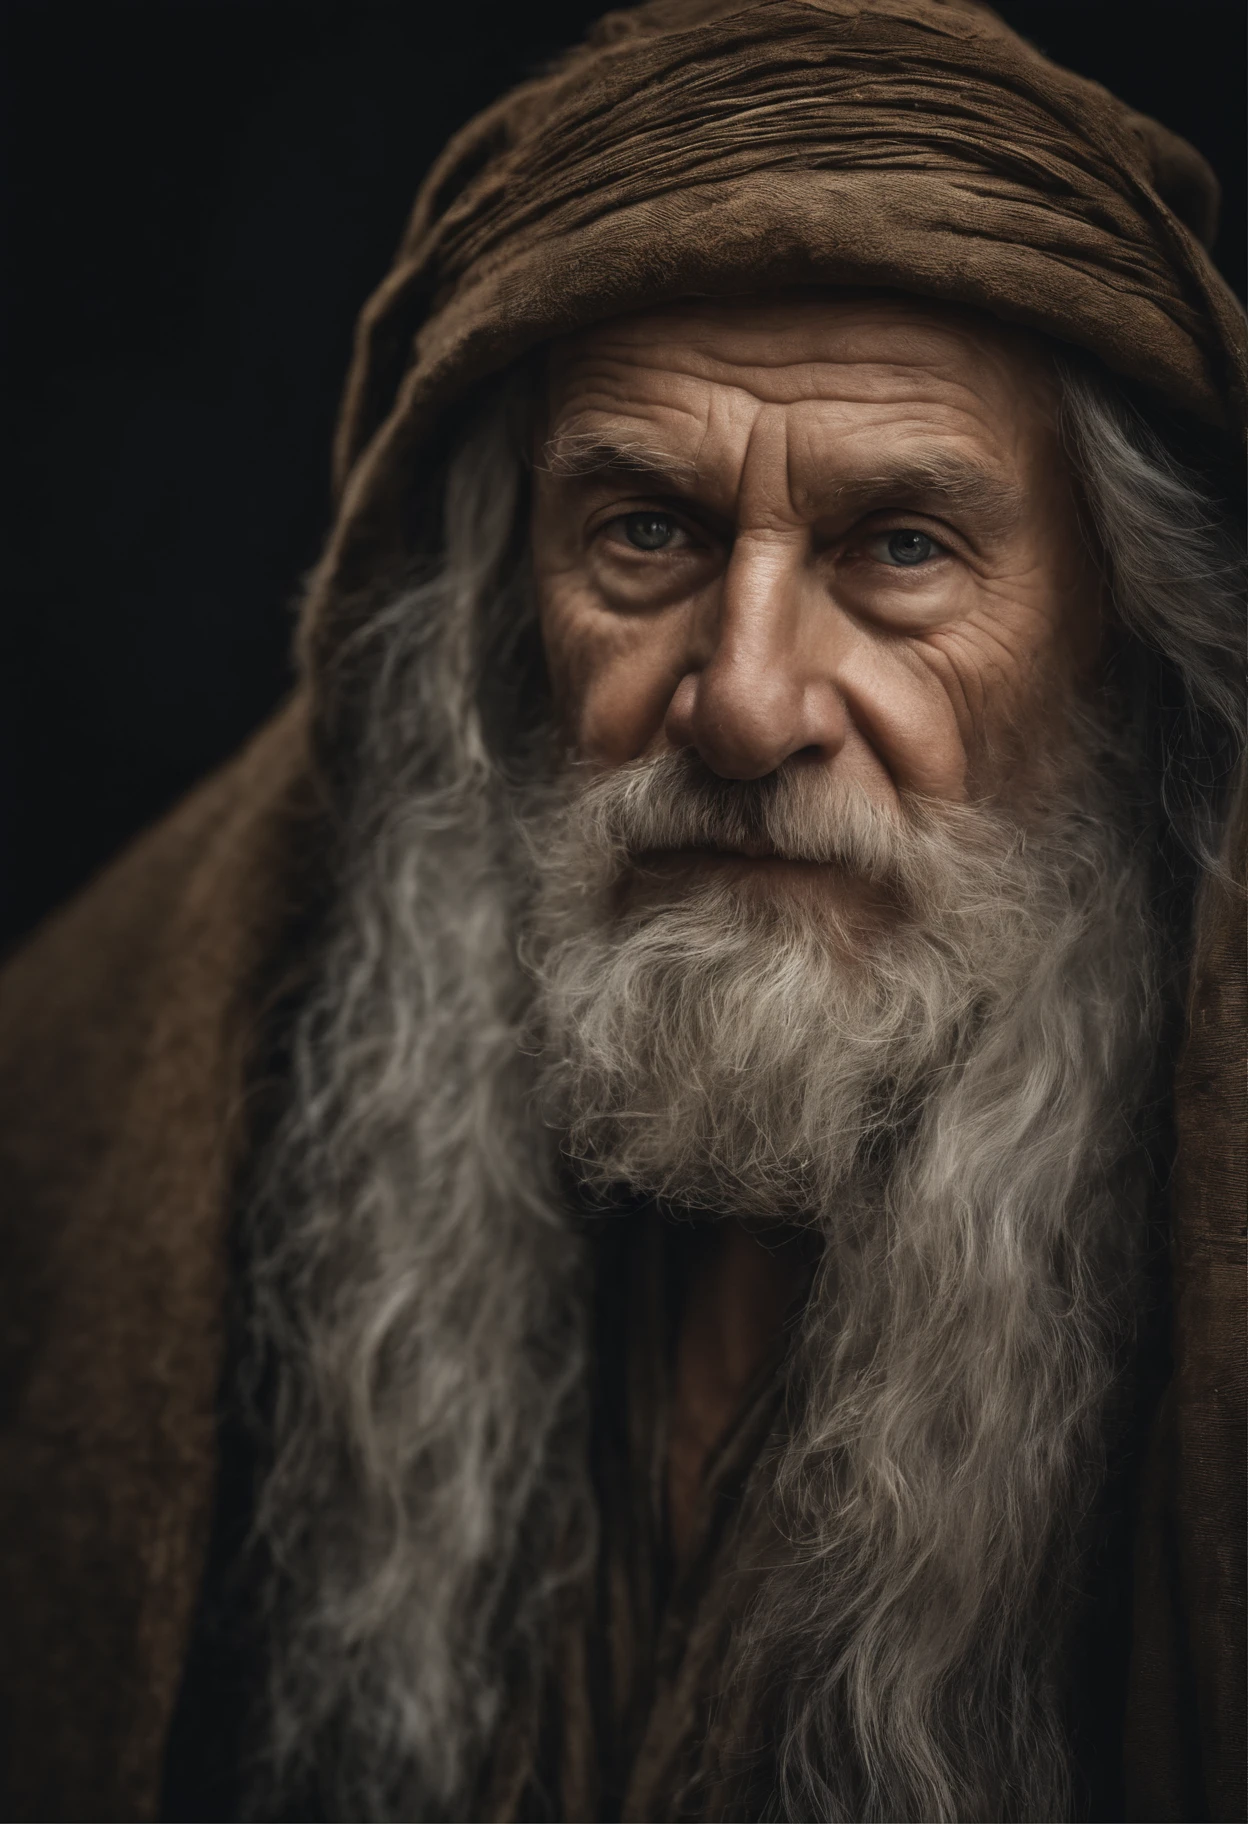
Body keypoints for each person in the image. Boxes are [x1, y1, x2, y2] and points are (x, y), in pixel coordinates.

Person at [0, 2, 1243, 1819]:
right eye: (645, 532)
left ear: (1124, 646)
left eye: (901, 549)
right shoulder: (124, 1054)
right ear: (500, 616)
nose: (745, 704)